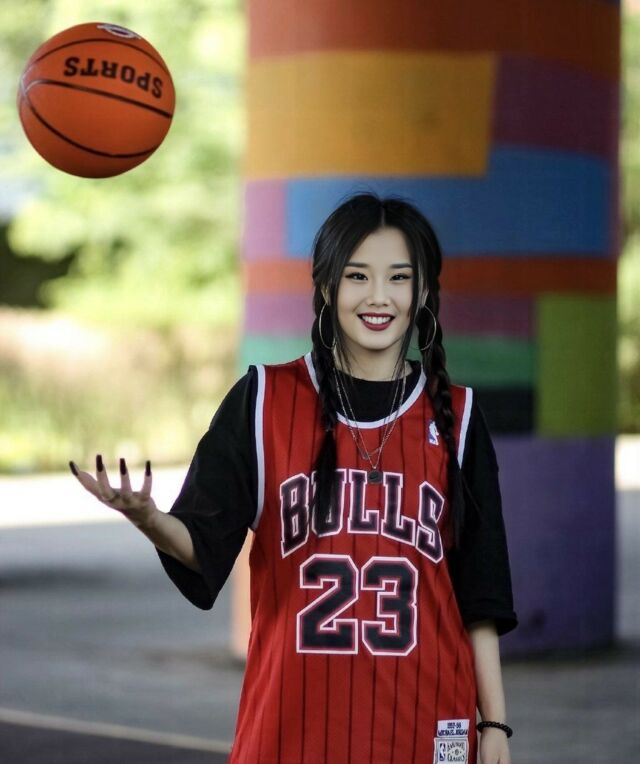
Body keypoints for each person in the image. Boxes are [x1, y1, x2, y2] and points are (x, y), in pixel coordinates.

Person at [70, 192, 518, 764]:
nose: (378, 296)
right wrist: (148, 518)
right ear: (327, 286)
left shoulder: (460, 417)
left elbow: (481, 593)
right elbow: (203, 543)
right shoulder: (262, 401)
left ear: (424, 291)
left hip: (426, 723)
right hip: (293, 726)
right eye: (357, 276)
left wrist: (494, 724)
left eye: (399, 278)